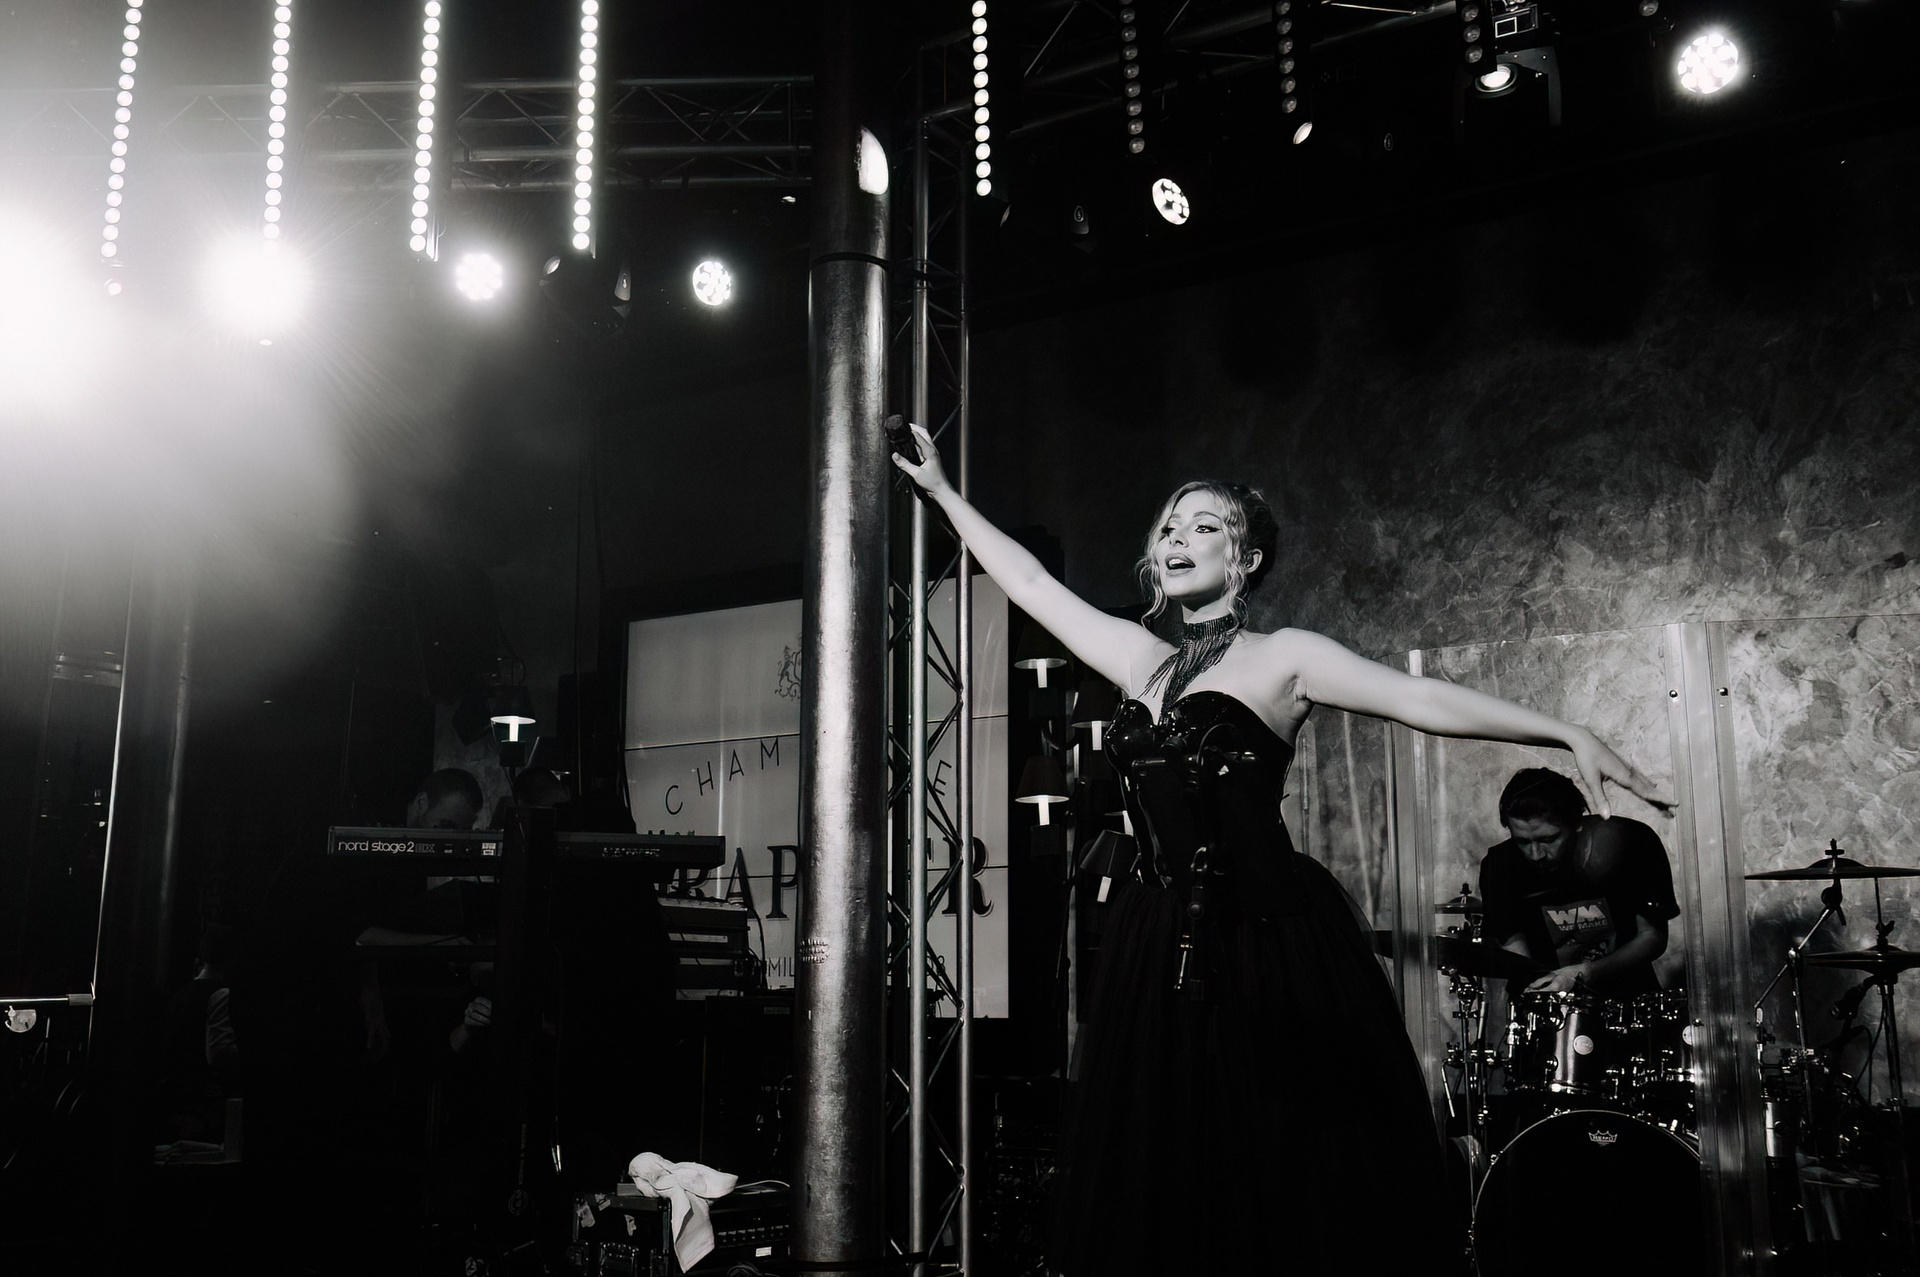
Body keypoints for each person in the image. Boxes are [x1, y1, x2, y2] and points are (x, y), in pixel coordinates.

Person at [891, 424, 1670, 1277]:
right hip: (1159, 941)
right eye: (1169, 526)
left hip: (1263, 936)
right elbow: (1032, 583)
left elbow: (1418, 699)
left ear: (1246, 558)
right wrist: (944, 494)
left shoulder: (1285, 657)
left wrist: (1566, 732)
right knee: (1173, 1175)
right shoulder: (1141, 660)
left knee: (1277, 1168)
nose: (1178, 537)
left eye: (1204, 526)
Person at [1480, 767, 1678, 997]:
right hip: (1547, 1003)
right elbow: (1516, 954)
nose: (1536, 854)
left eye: (1548, 839)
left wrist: (1583, 974)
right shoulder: (1500, 865)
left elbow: (1652, 937)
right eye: (1522, 842)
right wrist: (1541, 990)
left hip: (1628, 1000)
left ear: (1576, 823)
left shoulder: (1632, 842)